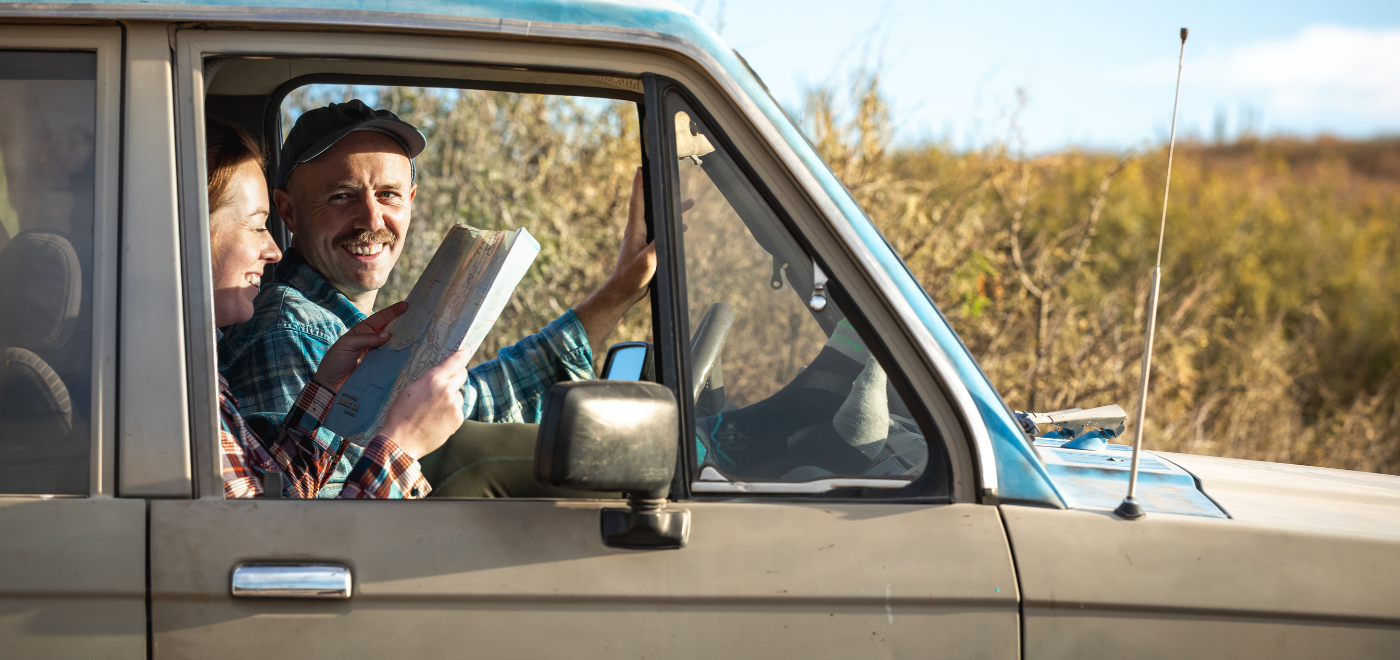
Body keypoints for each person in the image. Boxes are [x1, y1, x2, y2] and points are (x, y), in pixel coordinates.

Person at [219, 100, 654, 497]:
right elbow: (321, 538)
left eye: (388, 194)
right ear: (289, 211)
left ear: (410, 200)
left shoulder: (346, 343)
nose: (371, 218)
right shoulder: (288, 328)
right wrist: (403, 444)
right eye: (341, 197)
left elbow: (471, 401)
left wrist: (617, 294)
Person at [207, 120, 468, 498]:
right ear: (189, 232)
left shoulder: (199, 380)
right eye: (258, 225)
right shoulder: (174, 396)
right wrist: (402, 446)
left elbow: (280, 503)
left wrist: (327, 388)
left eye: (389, 194)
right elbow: (278, 548)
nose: (274, 250)